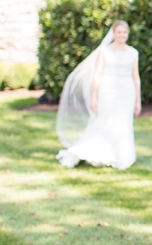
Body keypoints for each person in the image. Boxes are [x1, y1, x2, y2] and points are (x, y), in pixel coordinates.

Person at [56, 20, 141, 170]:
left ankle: (121, 156)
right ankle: (96, 151)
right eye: (119, 32)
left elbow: (136, 76)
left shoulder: (133, 53)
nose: (121, 35)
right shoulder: (104, 51)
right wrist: (94, 96)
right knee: (105, 121)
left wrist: (138, 100)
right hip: (107, 90)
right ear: (113, 33)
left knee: (123, 123)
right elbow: (98, 74)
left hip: (127, 92)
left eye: (124, 32)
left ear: (127, 34)